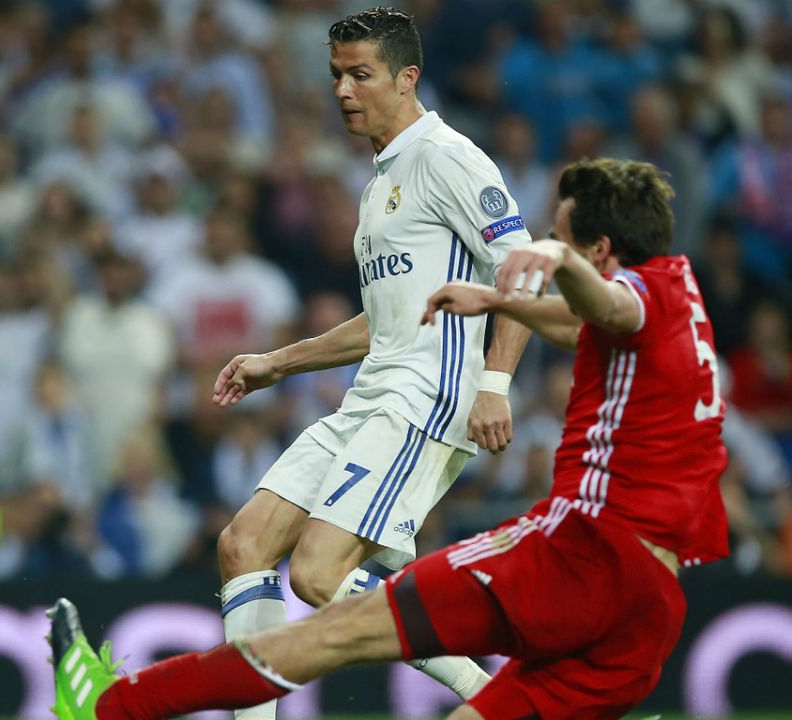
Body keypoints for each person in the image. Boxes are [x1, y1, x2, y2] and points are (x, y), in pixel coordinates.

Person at [49, 157, 728, 720]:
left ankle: (109, 707)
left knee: (325, 623)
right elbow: (579, 322)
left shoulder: (625, 289)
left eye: (564, 235)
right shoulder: (682, 293)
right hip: (648, 605)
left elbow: (607, 303)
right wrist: (501, 301)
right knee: (253, 549)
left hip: (581, 556)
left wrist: (549, 262)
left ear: (600, 251)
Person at [204, 8, 532, 710]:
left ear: (407, 78)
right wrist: (278, 362)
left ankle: (511, 696)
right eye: (335, 76)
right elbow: (384, 323)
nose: (344, 91)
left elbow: (521, 272)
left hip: (425, 399)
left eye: (361, 75)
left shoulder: (446, 156)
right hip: (372, 396)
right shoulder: (377, 183)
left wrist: (496, 382)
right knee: (244, 544)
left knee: (319, 576)